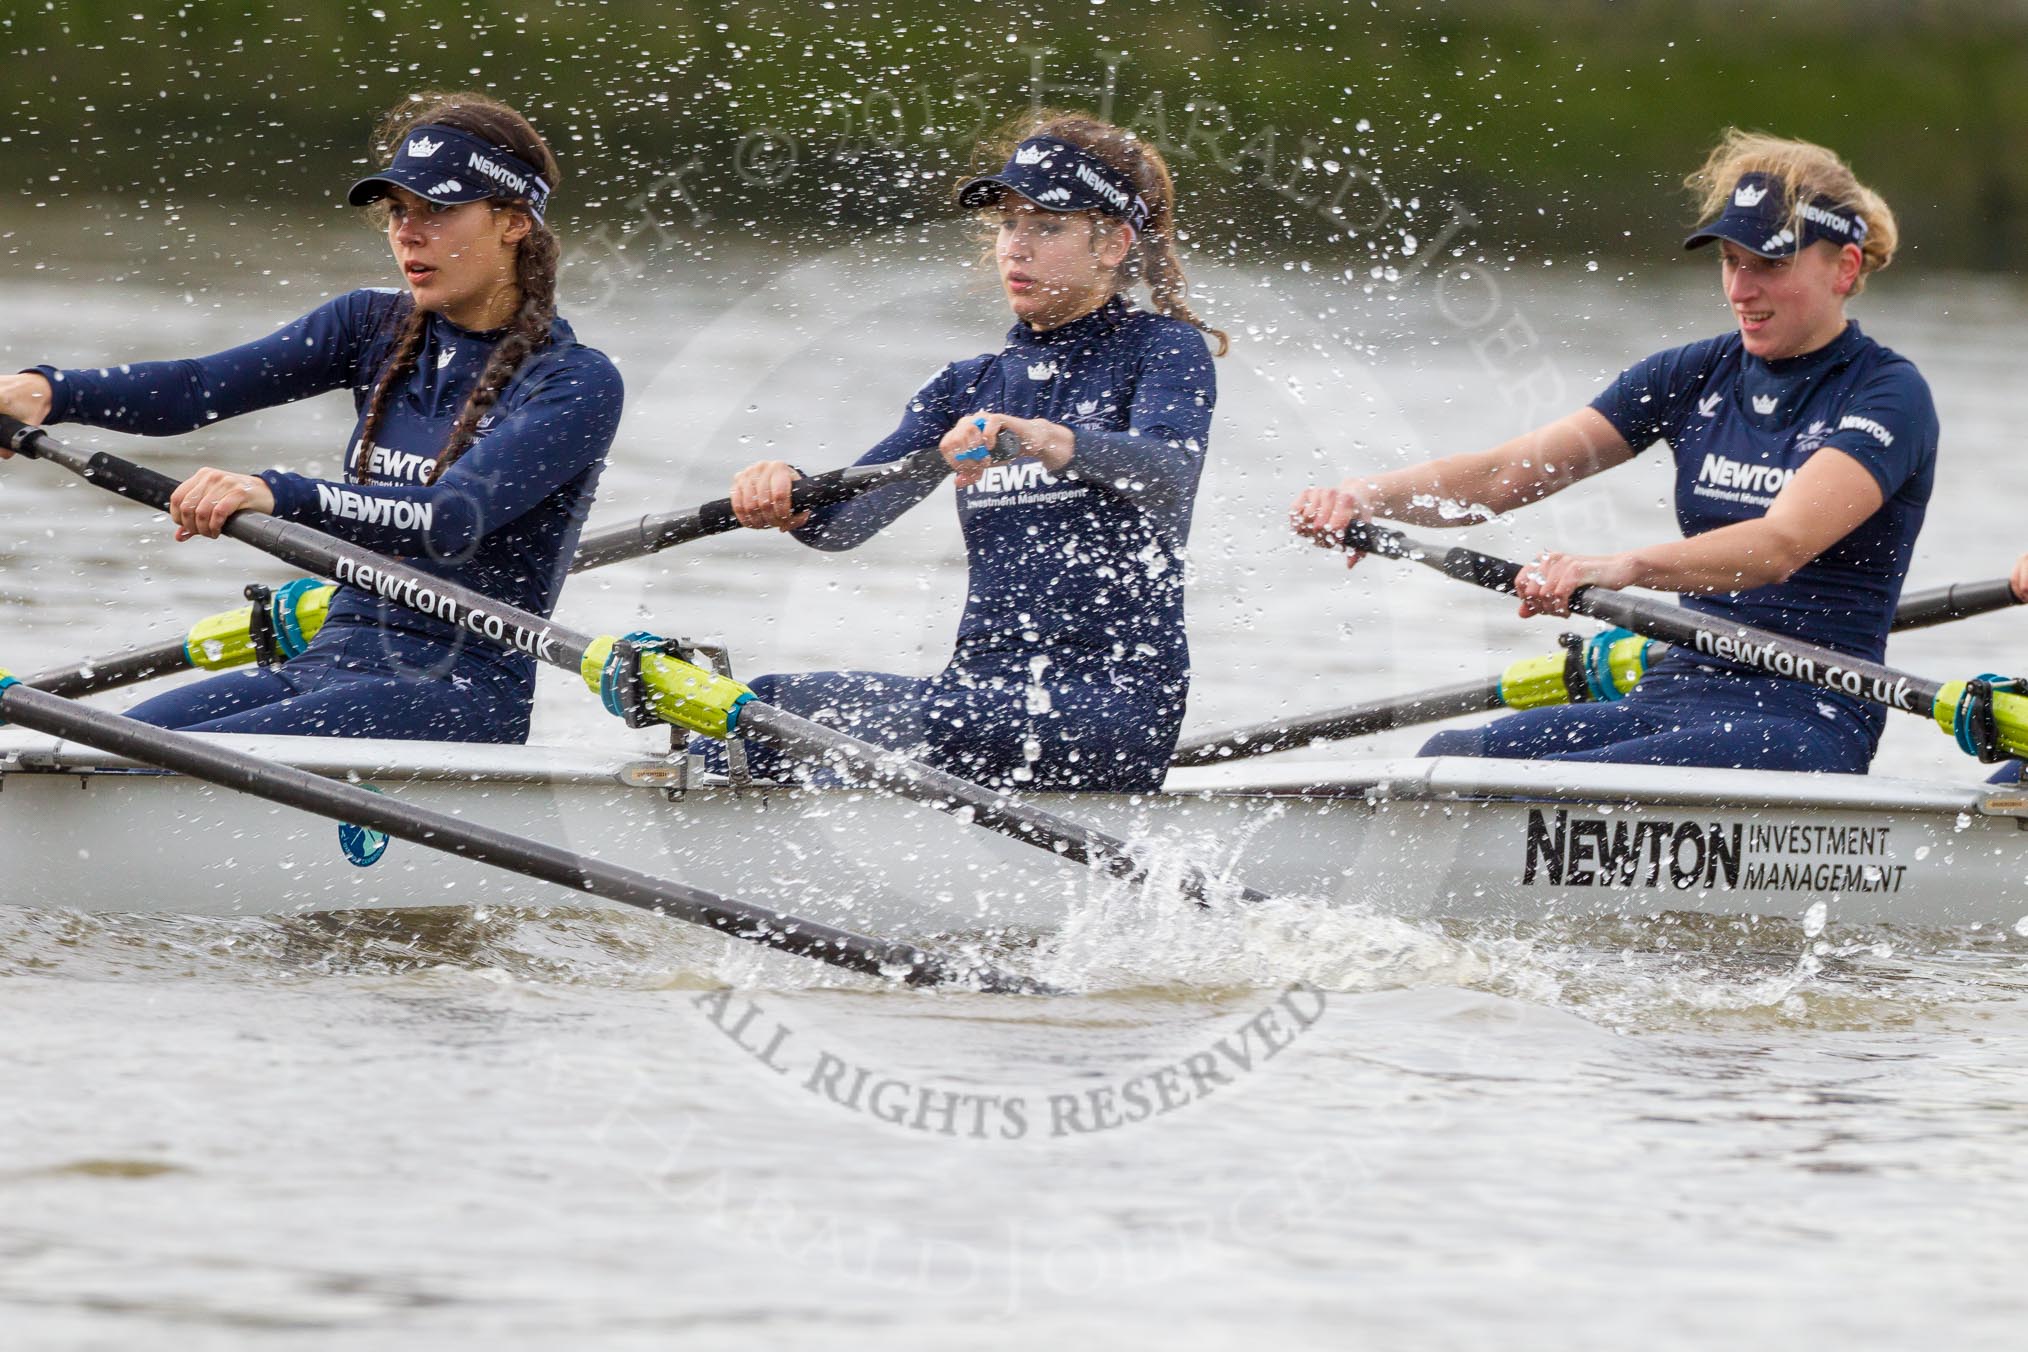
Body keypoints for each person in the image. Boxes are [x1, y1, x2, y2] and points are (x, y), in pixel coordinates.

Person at [1291, 129, 1937, 774]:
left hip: (1808, 715)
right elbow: (1505, 474)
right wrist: (1365, 496)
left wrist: (1622, 566)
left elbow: (1780, 546)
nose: (1741, 289)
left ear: (1844, 268)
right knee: (1450, 760)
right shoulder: (1692, 375)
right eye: (1730, 261)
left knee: (1596, 785)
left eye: (1768, 265)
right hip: (1676, 689)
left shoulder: (1888, 395)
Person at [0, 91, 621, 743]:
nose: (408, 232)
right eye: (398, 211)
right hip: (326, 665)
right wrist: (49, 391)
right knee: (72, 751)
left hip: (455, 694)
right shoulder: (369, 325)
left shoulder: (574, 381)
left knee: (124, 763)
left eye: (437, 209)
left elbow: (448, 518)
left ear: (514, 220)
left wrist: (275, 491)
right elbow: (197, 387)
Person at [714, 111, 1226, 792]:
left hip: (1110, 707)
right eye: (1009, 224)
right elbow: (846, 524)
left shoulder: (1163, 350)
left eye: (1047, 227)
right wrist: (788, 491)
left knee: (769, 705)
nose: (1016, 247)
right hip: (981, 699)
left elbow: (1169, 470)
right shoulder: (967, 387)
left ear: (1112, 244)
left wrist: (1046, 439)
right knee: (739, 724)